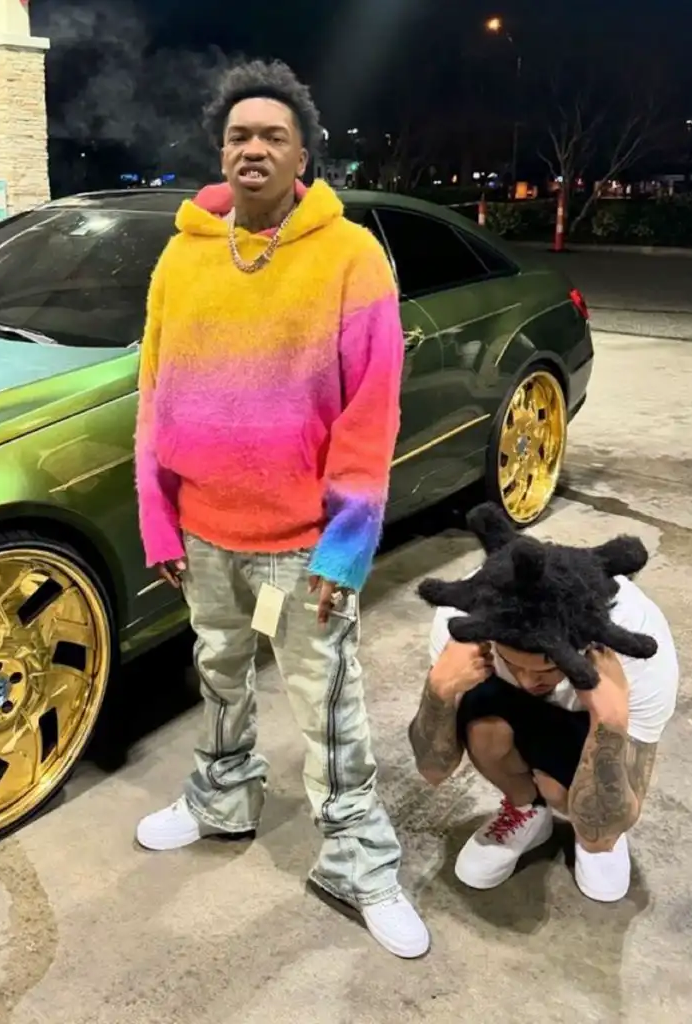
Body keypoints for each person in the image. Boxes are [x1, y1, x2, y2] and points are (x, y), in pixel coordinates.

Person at [132, 59, 429, 959]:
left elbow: (372, 410)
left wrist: (347, 546)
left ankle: (360, 862)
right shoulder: (183, 254)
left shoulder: (349, 256)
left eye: (272, 135)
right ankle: (223, 798)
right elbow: (153, 390)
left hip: (301, 544)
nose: (252, 148)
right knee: (219, 673)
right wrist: (157, 517)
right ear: (221, 152)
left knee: (326, 702)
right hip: (202, 532)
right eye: (238, 136)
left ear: (303, 154)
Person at [408, 501, 678, 902]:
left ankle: (576, 825)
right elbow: (433, 770)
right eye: (512, 664)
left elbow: (606, 828)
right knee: (485, 731)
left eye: (547, 669)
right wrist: (439, 688)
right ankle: (526, 810)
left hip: (584, 723)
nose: (527, 680)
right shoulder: (465, 622)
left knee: (589, 825)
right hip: (518, 718)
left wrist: (611, 718)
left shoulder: (638, 648)